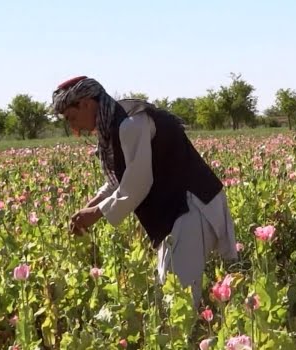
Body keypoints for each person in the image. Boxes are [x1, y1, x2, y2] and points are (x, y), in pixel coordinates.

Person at [51, 76, 238, 307]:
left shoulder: (131, 124)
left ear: (87, 104)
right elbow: (118, 181)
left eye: (72, 117)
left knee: (179, 302)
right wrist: (90, 206)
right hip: (177, 213)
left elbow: (137, 184)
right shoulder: (114, 126)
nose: (74, 127)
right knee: (170, 296)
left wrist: (96, 213)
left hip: (192, 207)